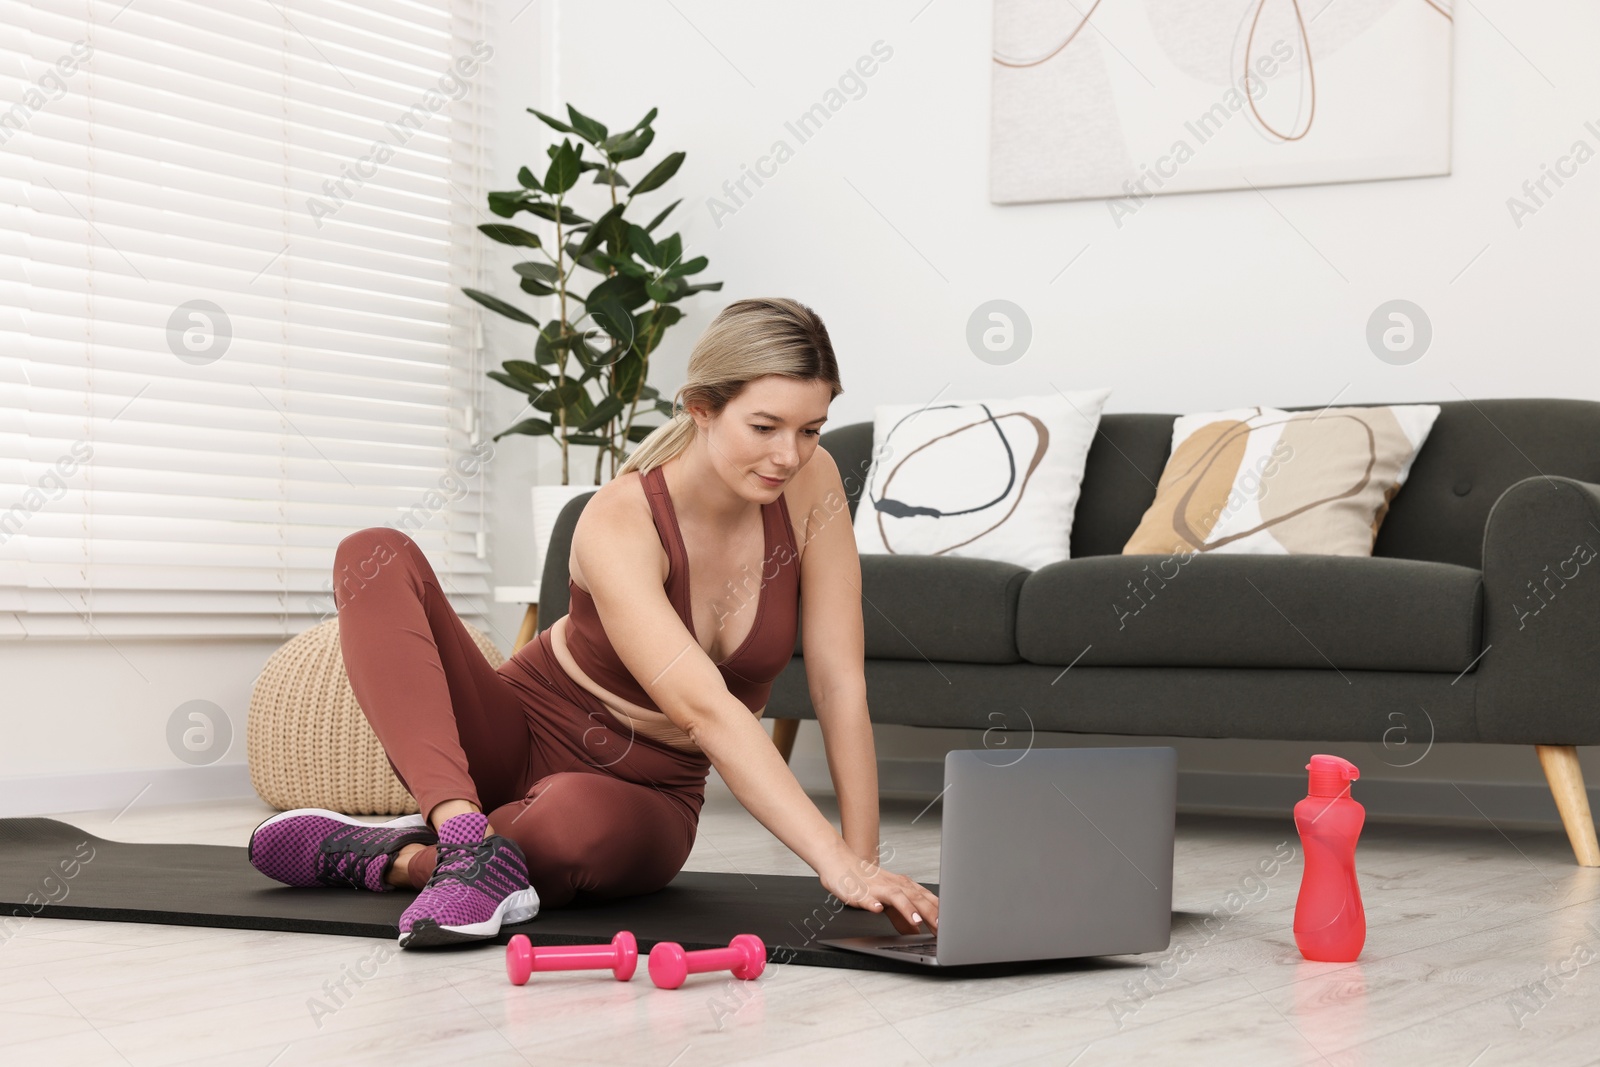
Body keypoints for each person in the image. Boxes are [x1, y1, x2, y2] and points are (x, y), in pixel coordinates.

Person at [248, 297, 941, 948]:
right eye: (765, 427)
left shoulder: (810, 484)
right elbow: (705, 708)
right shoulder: (619, 516)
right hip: (517, 729)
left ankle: (400, 858)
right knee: (373, 553)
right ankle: (461, 831)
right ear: (702, 408)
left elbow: (838, 680)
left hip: (649, 789)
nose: (789, 454)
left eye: (810, 429)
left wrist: (862, 864)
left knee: (565, 825)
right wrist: (832, 862)